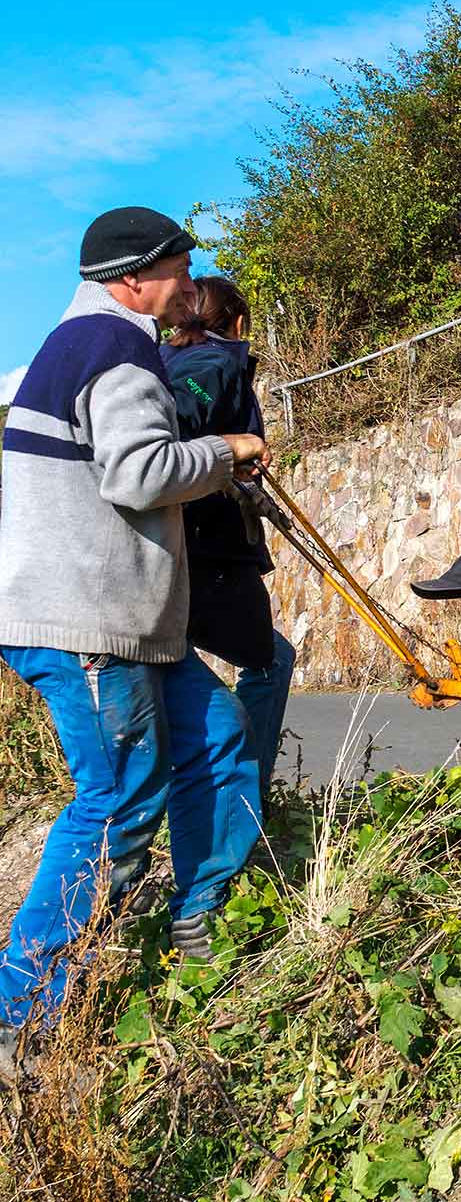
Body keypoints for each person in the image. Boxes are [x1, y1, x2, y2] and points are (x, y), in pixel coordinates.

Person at [0, 208, 269, 1047]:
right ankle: (22, 1016)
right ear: (131, 280)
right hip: (87, 615)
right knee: (116, 801)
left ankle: (197, 916)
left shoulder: (74, 344)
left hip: (122, 617)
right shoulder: (115, 351)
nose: (189, 283)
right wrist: (227, 450)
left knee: (218, 735)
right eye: (178, 269)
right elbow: (139, 473)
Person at [160, 276, 296, 808]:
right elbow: (177, 421)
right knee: (268, 661)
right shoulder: (211, 364)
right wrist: (228, 454)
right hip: (206, 548)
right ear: (237, 322)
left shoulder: (165, 357)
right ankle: (247, 798)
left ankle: (197, 789)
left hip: (182, 545)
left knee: (174, 663)